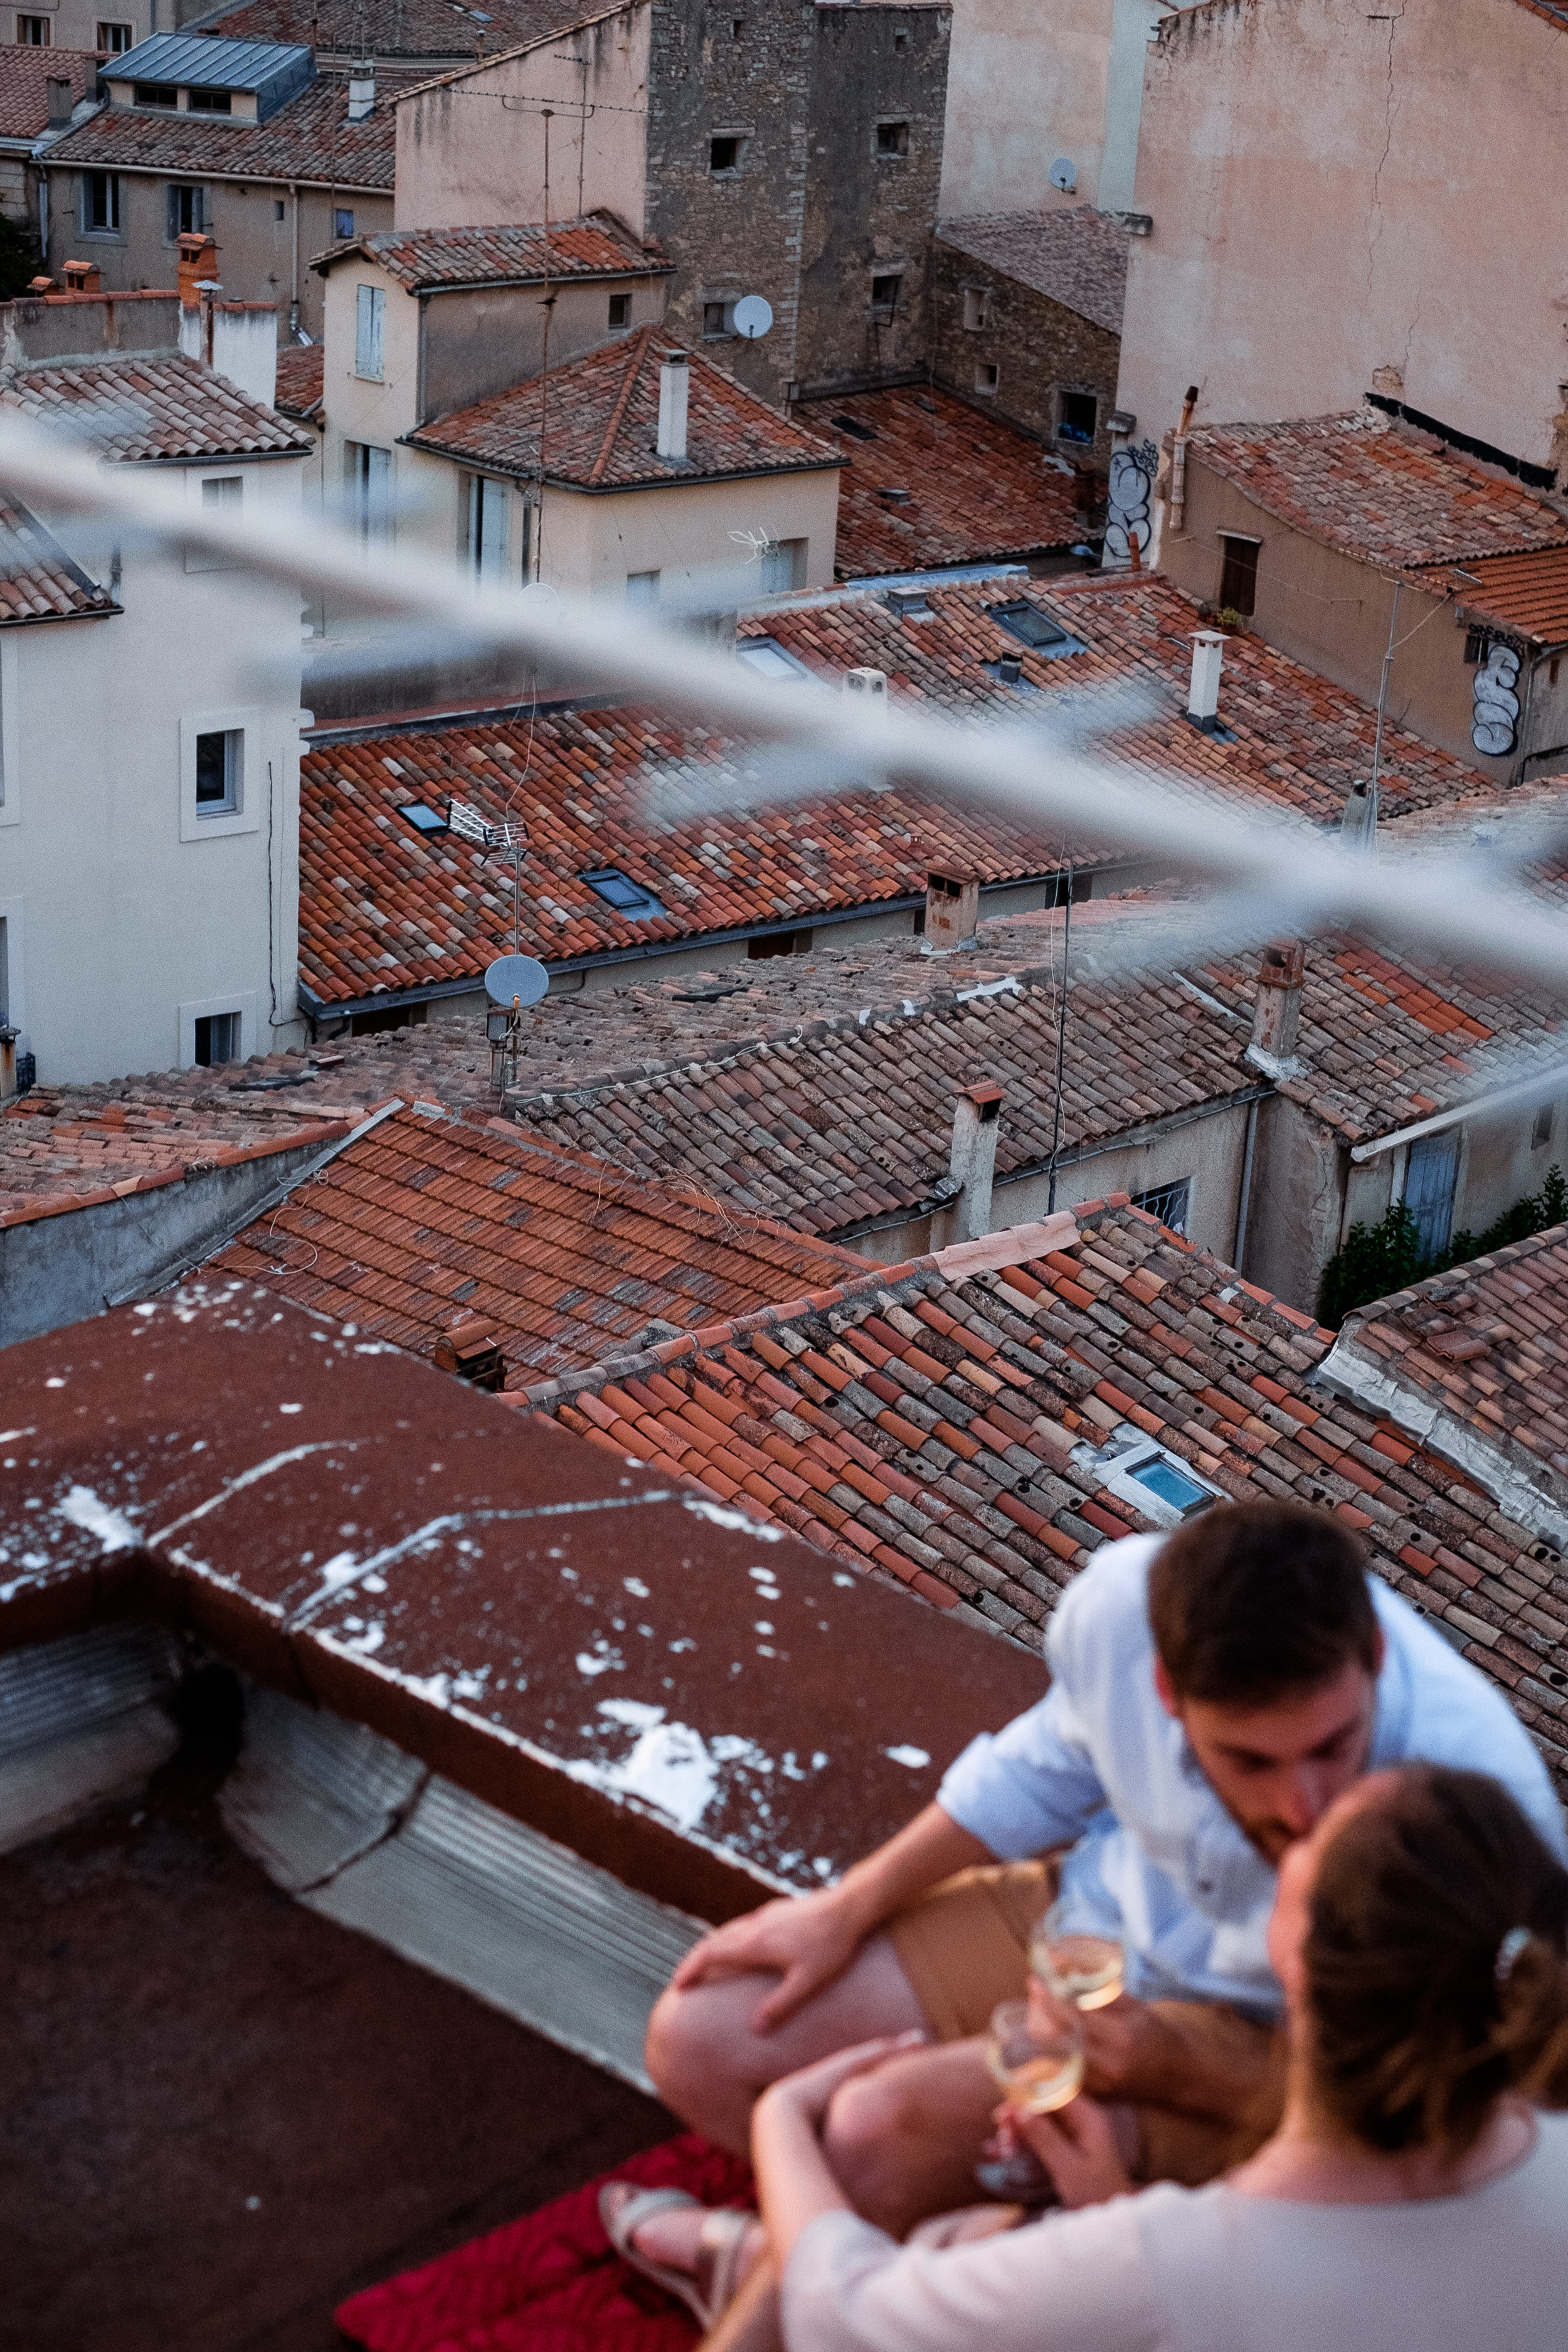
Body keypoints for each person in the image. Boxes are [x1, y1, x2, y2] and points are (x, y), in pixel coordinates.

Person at [647, 1503, 1567, 2229]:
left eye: (1334, 1746)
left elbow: (1483, 2113)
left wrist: (1186, 2070)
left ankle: (884, 2275)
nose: (1307, 1809)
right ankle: (958, 2264)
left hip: (1293, 2047)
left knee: (874, 2135)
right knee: (704, 2042)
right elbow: (1047, 1762)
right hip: (1093, 1934)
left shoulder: (1485, 1800)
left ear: (1375, 1657)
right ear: (1168, 1690)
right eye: (1249, 1761)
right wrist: (845, 1907)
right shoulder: (1126, 1608)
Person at [760, 1762, 1568, 2351]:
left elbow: (841, 2316)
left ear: (1298, 1950)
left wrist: (783, 2119)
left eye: (1310, 1843)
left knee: (960, 2241)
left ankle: (725, 2257)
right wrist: (1110, 2210)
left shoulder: (1173, 2269)